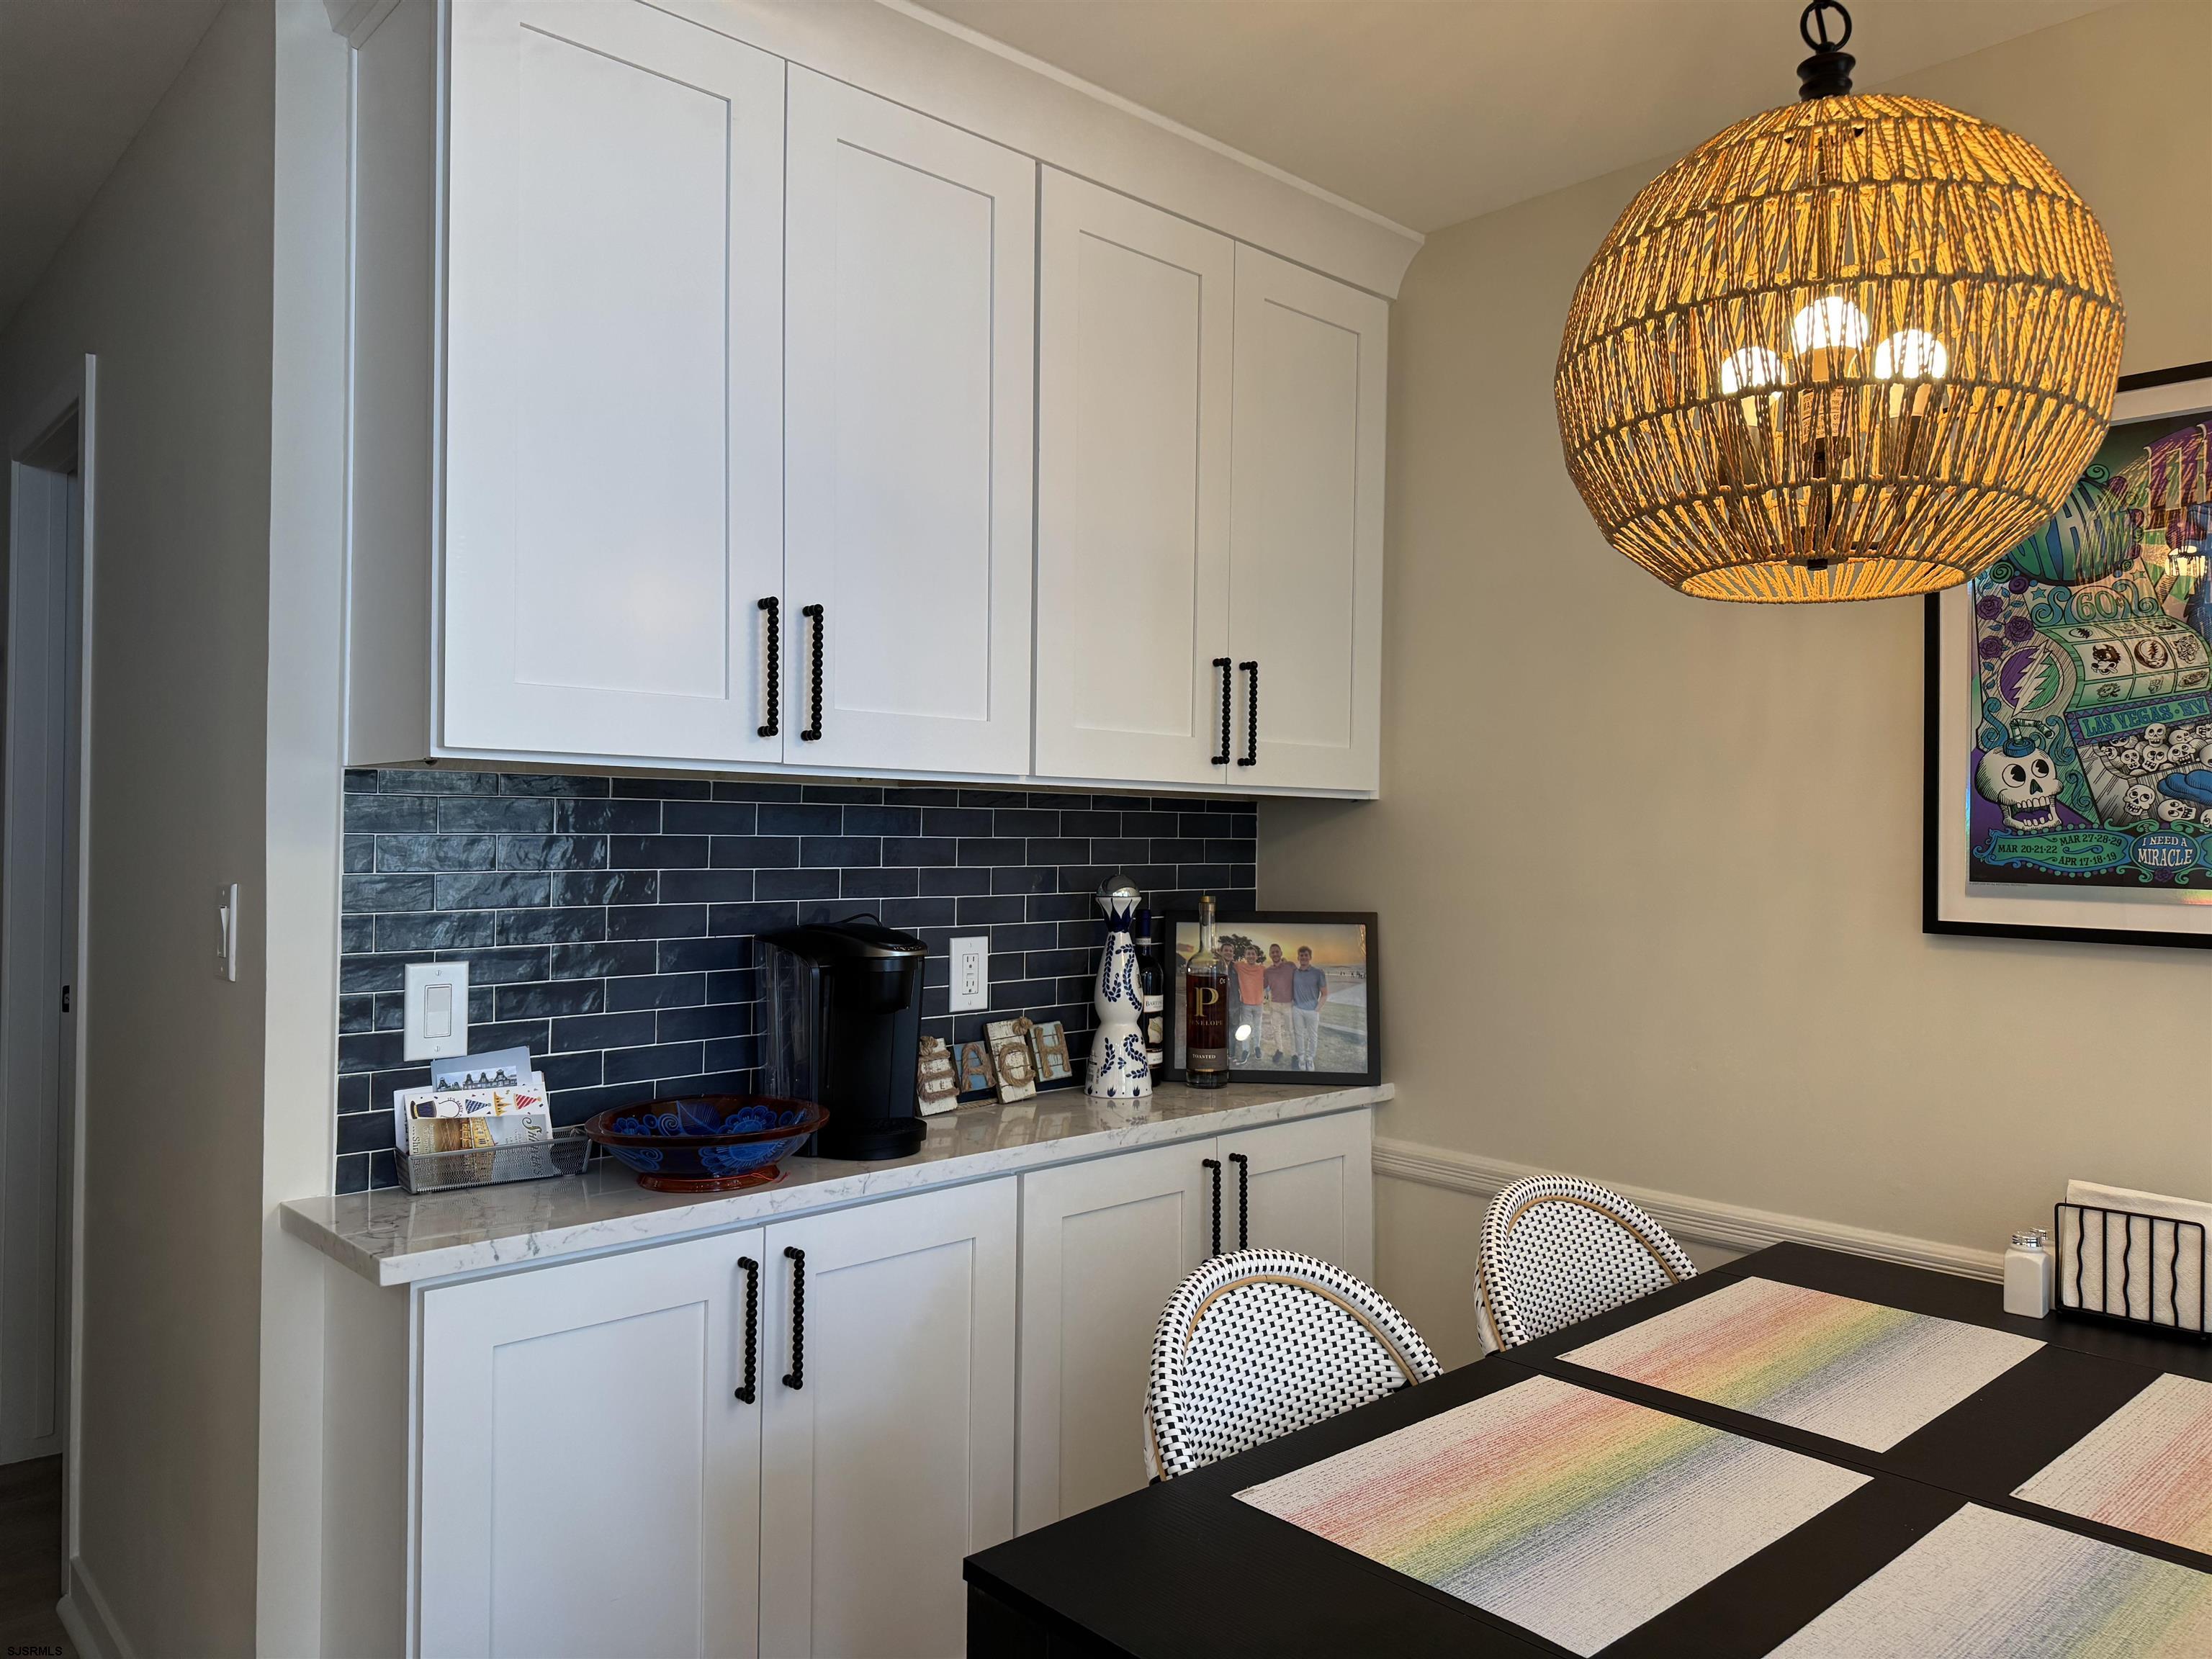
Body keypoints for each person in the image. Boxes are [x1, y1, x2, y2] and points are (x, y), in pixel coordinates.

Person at [1290, 945, 1330, 1071]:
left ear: (1310, 957)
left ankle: (1310, 1059)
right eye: (1301, 955)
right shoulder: (1294, 973)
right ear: (1298, 957)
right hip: (1297, 1009)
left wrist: (1317, 1009)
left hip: (1313, 1010)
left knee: (1313, 1036)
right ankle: (1301, 1058)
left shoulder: (1318, 973)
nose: (1304, 957)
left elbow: (1325, 994)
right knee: (1299, 1035)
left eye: (1306, 955)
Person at [1261, 943, 1297, 1066]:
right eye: (1273, 952)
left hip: (1289, 1005)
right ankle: (1280, 1050)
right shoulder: (1268, 971)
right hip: (1274, 1005)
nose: (1275, 954)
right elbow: (1264, 986)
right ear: (1270, 955)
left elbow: (1299, 979)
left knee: (1291, 1031)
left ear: (1281, 953)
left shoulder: (1291, 966)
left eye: (1277, 952)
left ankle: (1295, 1055)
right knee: (1276, 1030)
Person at [1232, 946, 1267, 1064]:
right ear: (1245, 956)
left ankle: (1257, 1047)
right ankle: (1245, 1050)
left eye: (1253, 954)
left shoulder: (1262, 968)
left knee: (1258, 1028)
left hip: (1259, 1004)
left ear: (1256, 956)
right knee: (1245, 1029)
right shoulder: (1239, 966)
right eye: (1249, 954)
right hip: (1246, 1004)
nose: (1251, 956)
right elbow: (1226, 960)